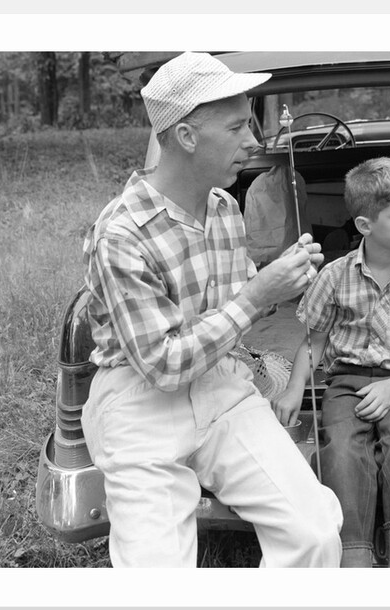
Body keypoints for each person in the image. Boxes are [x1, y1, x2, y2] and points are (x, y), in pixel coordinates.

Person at [80, 51, 343, 568]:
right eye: (239, 126)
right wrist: (258, 295)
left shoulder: (224, 206)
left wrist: (287, 281)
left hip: (223, 384)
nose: (255, 141)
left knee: (314, 533)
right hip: (140, 402)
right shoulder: (121, 235)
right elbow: (164, 366)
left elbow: (232, 296)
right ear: (186, 136)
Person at [272, 157, 390, 568]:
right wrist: (295, 387)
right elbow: (313, 343)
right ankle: (353, 557)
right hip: (345, 384)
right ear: (365, 226)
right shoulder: (333, 277)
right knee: (341, 451)